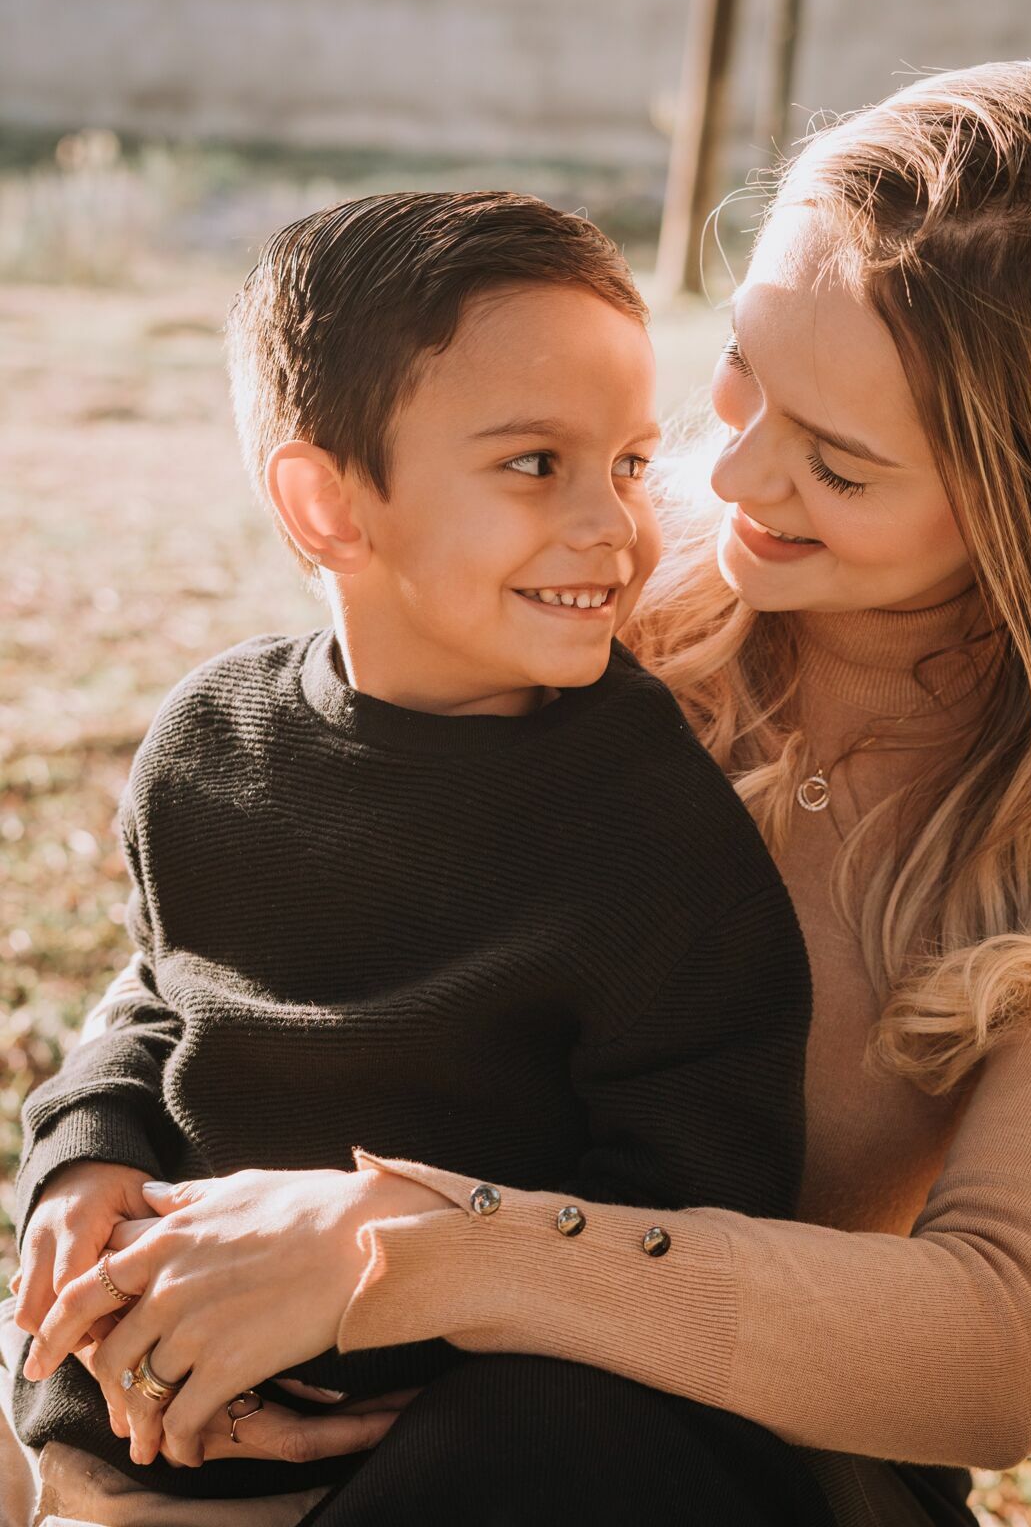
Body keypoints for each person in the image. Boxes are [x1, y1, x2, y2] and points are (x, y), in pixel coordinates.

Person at [6, 60, 1031, 1527]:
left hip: (713, 1449)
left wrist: (406, 1253)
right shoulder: (589, 577)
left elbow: (998, 1350)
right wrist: (90, 1169)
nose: (732, 480)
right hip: (319, 1380)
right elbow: (241, 904)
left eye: (837, 463)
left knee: (534, 1446)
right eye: (742, 375)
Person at [6, 191, 835, 1524]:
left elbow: (691, 1207)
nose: (614, 528)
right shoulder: (211, 741)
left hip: (463, 1415)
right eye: (533, 465)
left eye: (626, 462)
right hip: (176, 1376)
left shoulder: (650, 826)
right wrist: (89, 1158)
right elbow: (164, 993)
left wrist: (390, 1298)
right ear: (329, 505)